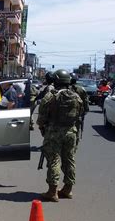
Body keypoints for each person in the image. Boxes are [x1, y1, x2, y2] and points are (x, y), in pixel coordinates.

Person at [36, 69, 83, 202]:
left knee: (54, 160)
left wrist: (42, 127)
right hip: (71, 132)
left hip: (54, 133)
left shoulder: (50, 96)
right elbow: (80, 113)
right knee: (69, 160)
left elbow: (41, 118)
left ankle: (52, 191)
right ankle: (68, 189)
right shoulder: (76, 96)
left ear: (56, 80)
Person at [70, 73, 89, 143]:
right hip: (79, 112)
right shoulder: (81, 89)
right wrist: (86, 109)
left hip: (67, 112)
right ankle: (77, 139)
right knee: (78, 126)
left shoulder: (65, 89)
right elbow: (86, 100)